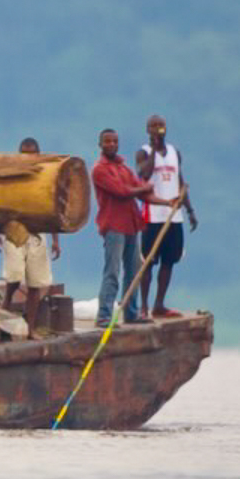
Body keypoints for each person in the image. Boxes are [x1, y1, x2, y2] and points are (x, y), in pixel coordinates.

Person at [0, 137, 63, 335]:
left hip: (37, 232)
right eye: (24, 154)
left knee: (35, 284)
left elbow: (52, 210)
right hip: (15, 229)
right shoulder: (11, 175)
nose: (28, 158)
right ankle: (1, 321)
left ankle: (30, 329)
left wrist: (56, 241)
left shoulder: (45, 177)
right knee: (13, 278)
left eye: (31, 154)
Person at [92, 127, 155, 327]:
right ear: (100, 144)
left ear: (118, 144)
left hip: (131, 225)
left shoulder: (123, 168)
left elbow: (140, 192)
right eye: (107, 141)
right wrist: (144, 188)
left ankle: (131, 312)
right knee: (112, 271)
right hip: (114, 226)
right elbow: (122, 192)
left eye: (114, 141)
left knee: (133, 271)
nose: (111, 144)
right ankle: (104, 316)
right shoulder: (99, 169)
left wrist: (168, 202)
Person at [142, 113, 198, 318]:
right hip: (152, 216)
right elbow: (144, 176)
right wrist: (155, 152)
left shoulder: (175, 152)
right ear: (148, 130)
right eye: (154, 126)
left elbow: (180, 182)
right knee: (148, 261)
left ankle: (159, 304)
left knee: (169, 261)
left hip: (174, 216)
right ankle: (143, 307)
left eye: (161, 125)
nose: (158, 128)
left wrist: (190, 210)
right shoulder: (144, 152)